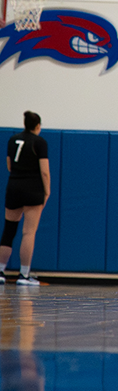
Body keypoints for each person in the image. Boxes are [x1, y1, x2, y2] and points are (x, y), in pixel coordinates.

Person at [1, 112, 48, 286]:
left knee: (8, 230)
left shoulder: (13, 140)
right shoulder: (40, 142)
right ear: (37, 126)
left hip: (13, 187)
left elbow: (9, 165)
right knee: (28, 232)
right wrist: (47, 191)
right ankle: (24, 275)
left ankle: (0, 270)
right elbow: (44, 170)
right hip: (32, 190)